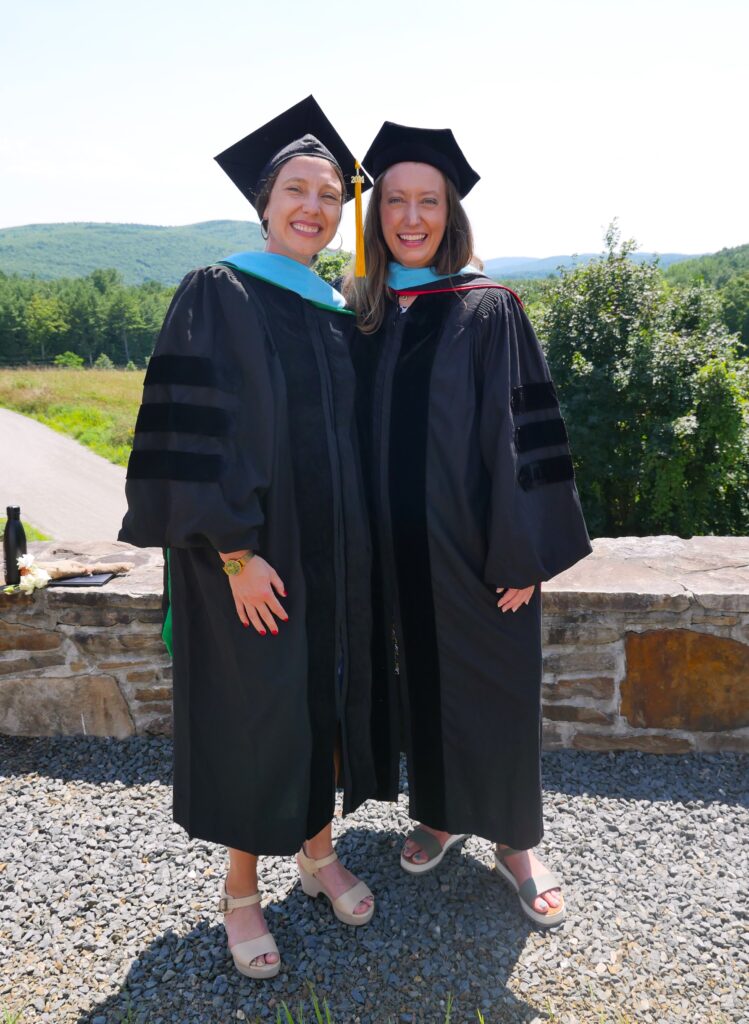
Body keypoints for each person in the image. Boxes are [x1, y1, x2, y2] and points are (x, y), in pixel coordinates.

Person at [119, 96, 377, 979]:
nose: (313, 206)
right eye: (296, 190)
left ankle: (315, 850)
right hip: (248, 557)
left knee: (320, 699)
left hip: (329, 556)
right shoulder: (219, 292)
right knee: (256, 712)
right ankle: (239, 889)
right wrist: (233, 553)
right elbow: (193, 439)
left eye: (329, 195)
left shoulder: (339, 306)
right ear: (263, 204)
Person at [345, 122, 592, 929]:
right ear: (376, 212)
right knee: (417, 682)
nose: (410, 217)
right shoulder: (364, 313)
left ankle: (516, 843)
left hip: (479, 548)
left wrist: (522, 550)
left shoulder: (488, 309)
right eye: (395, 201)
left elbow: (522, 441)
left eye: (428, 202)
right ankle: (440, 813)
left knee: (496, 688)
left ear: (450, 214)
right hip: (391, 556)